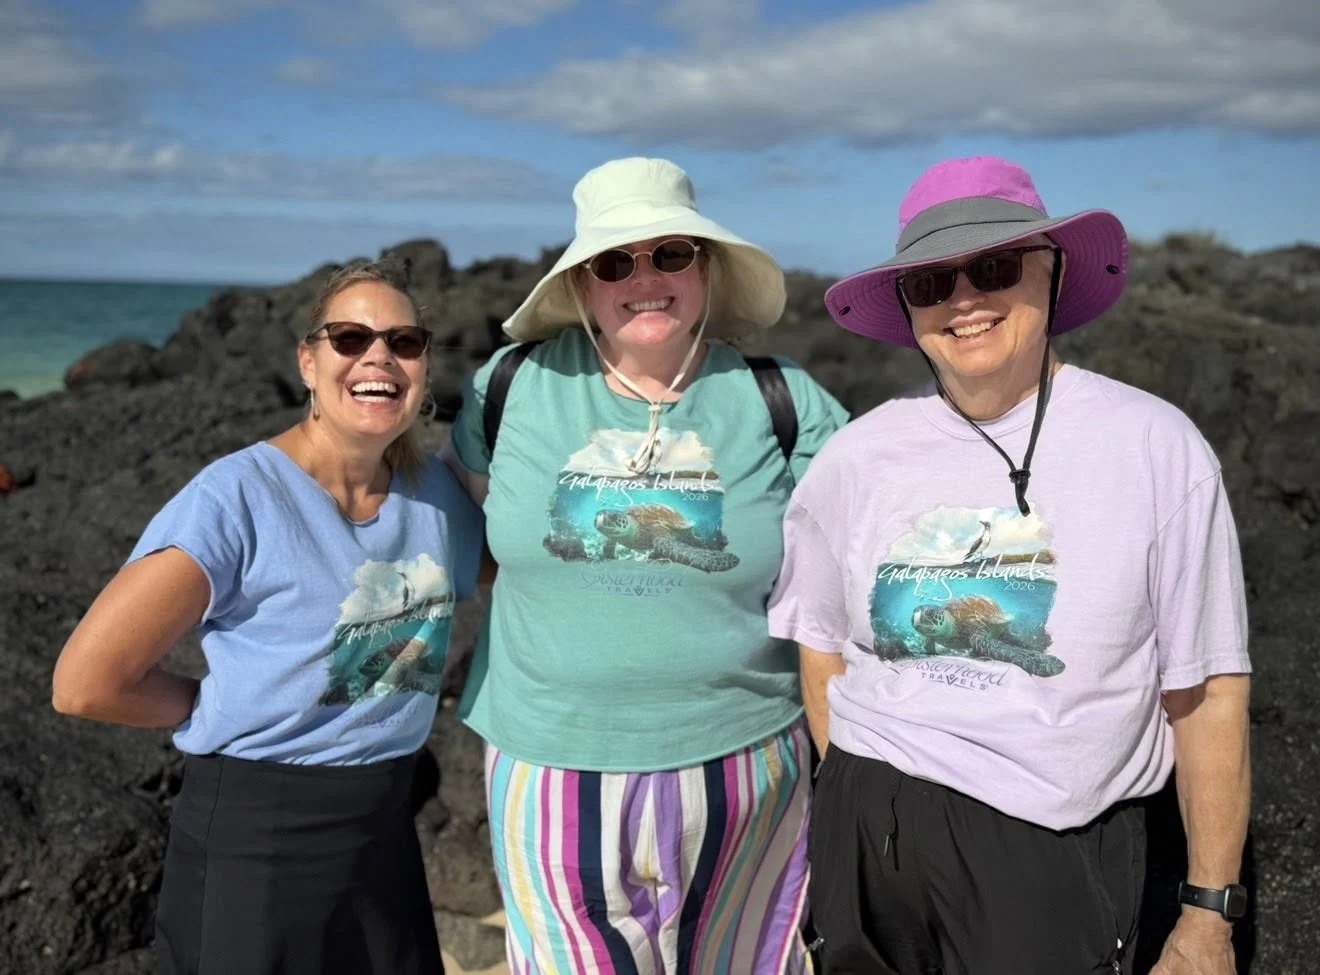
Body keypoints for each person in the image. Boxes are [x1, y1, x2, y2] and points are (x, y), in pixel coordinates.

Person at [768, 156, 1251, 975]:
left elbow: (1207, 690)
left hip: (1049, 856)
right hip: (866, 838)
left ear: (1052, 273)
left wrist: (1208, 914)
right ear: (908, 308)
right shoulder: (853, 458)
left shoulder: (1158, 449)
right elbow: (821, 646)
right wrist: (858, 794)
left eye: (993, 267)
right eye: (930, 281)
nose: (963, 299)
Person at [442, 156, 849, 974]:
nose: (645, 279)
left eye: (671, 254)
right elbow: (484, 540)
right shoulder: (510, 386)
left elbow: (862, 561)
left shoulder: (784, 399)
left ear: (706, 268)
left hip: (747, 770)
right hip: (547, 767)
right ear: (584, 284)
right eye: (615, 262)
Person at [52, 260, 483, 975]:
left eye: (404, 342)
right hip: (259, 837)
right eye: (351, 338)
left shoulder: (434, 494)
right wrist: (218, 702)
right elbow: (85, 681)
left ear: (423, 366)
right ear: (309, 363)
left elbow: (531, 567)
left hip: (384, 831)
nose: (379, 356)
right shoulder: (236, 498)